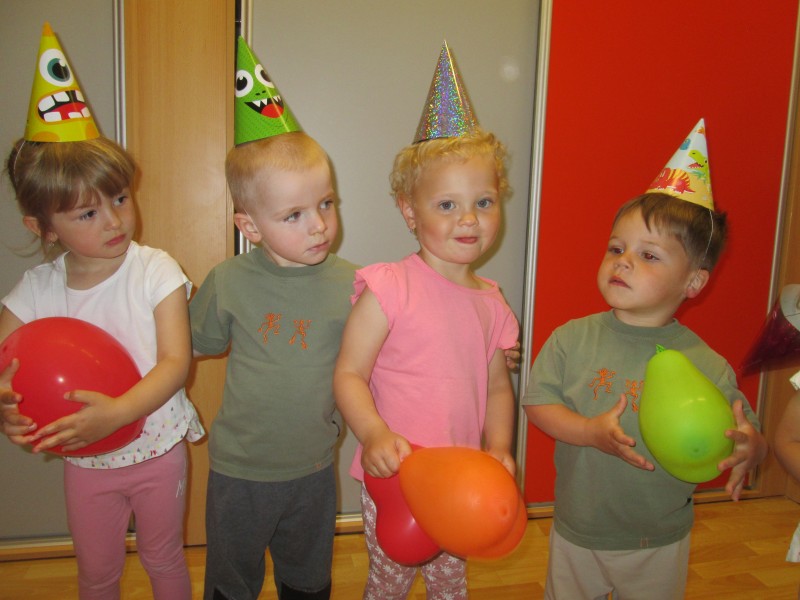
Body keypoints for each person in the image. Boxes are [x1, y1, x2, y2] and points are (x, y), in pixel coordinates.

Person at [522, 188, 768, 599]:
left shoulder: (706, 364)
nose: (623, 261)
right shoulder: (571, 339)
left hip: (659, 535)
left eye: (649, 255)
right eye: (616, 248)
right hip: (579, 528)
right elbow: (538, 403)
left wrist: (752, 448)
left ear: (693, 281)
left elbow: (747, 432)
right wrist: (588, 432)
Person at [0, 135, 204, 599]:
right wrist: (6, 411)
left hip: (158, 451)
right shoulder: (36, 289)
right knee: (96, 572)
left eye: (120, 198)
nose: (114, 220)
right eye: (88, 213)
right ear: (43, 227)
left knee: (164, 558)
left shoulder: (155, 269)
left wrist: (117, 413)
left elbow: (175, 363)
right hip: (86, 460)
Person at [333, 126, 520, 599]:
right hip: (397, 474)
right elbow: (350, 373)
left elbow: (499, 387)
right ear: (409, 212)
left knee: (450, 581)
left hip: (462, 478)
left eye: (484, 202)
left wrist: (500, 446)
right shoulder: (390, 287)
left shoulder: (493, 303)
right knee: (390, 580)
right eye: (447, 204)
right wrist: (373, 433)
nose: (469, 219)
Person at [190, 130, 357, 600]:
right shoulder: (228, 280)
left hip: (313, 468)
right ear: (251, 227)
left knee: (307, 578)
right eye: (294, 215)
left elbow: (388, 355)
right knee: (231, 581)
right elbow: (184, 347)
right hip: (239, 470)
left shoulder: (355, 284)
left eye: (326, 204)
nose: (319, 225)